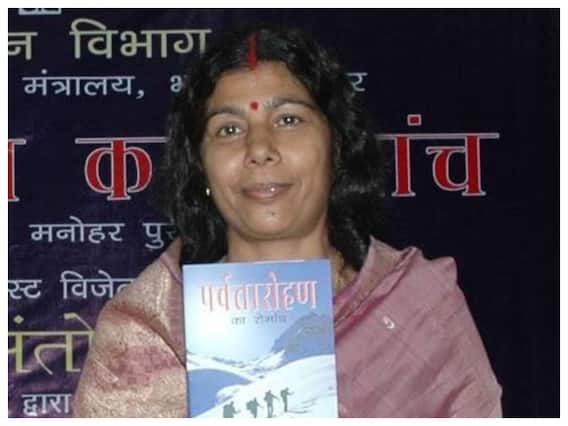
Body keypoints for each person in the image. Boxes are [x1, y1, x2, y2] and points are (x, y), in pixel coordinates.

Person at [72, 25, 502, 417]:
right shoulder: (150, 330)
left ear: (337, 147)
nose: (260, 148)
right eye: (228, 129)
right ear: (200, 166)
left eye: (288, 120)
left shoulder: (415, 308)